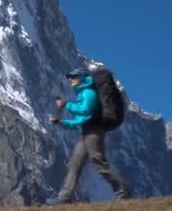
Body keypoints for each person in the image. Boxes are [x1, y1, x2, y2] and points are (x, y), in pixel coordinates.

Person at [49, 68, 130, 204]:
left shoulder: (89, 93)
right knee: (75, 163)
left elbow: (86, 110)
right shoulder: (82, 94)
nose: (70, 79)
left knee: (97, 160)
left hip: (94, 131)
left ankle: (122, 191)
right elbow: (79, 120)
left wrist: (66, 104)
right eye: (69, 76)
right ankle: (64, 196)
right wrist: (61, 122)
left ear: (81, 77)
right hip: (86, 131)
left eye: (73, 77)